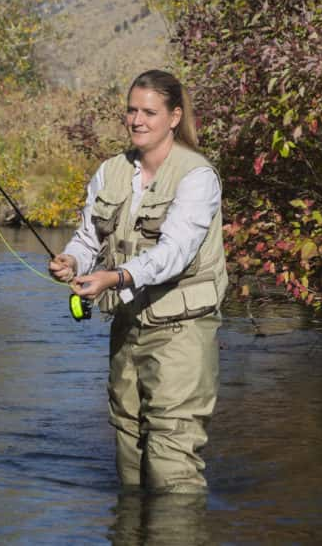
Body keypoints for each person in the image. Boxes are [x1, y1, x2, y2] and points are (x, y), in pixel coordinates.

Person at [48, 69, 227, 493]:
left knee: (171, 466)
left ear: (174, 117)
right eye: (131, 110)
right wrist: (72, 260)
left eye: (149, 111)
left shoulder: (197, 176)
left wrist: (115, 276)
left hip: (182, 330)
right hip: (127, 325)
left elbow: (175, 253)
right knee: (130, 458)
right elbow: (89, 235)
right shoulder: (110, 171)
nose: (137, 120)